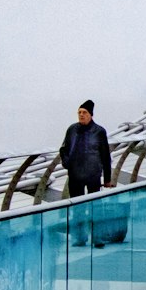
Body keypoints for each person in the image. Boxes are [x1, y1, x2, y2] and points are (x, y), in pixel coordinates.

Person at [59, 100, 114, 246]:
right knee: (77, 208)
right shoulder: (72, 129)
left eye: (84, 113)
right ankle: (79, 237)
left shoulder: (99, 131)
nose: (81, 115)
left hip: (93, 175)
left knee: (95, 207)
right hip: (75, 175)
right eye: (79, 112)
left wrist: (107, 179)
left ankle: (97, 238)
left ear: (91, 115)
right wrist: (67, 163)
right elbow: (63, 149)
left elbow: (105, 156)